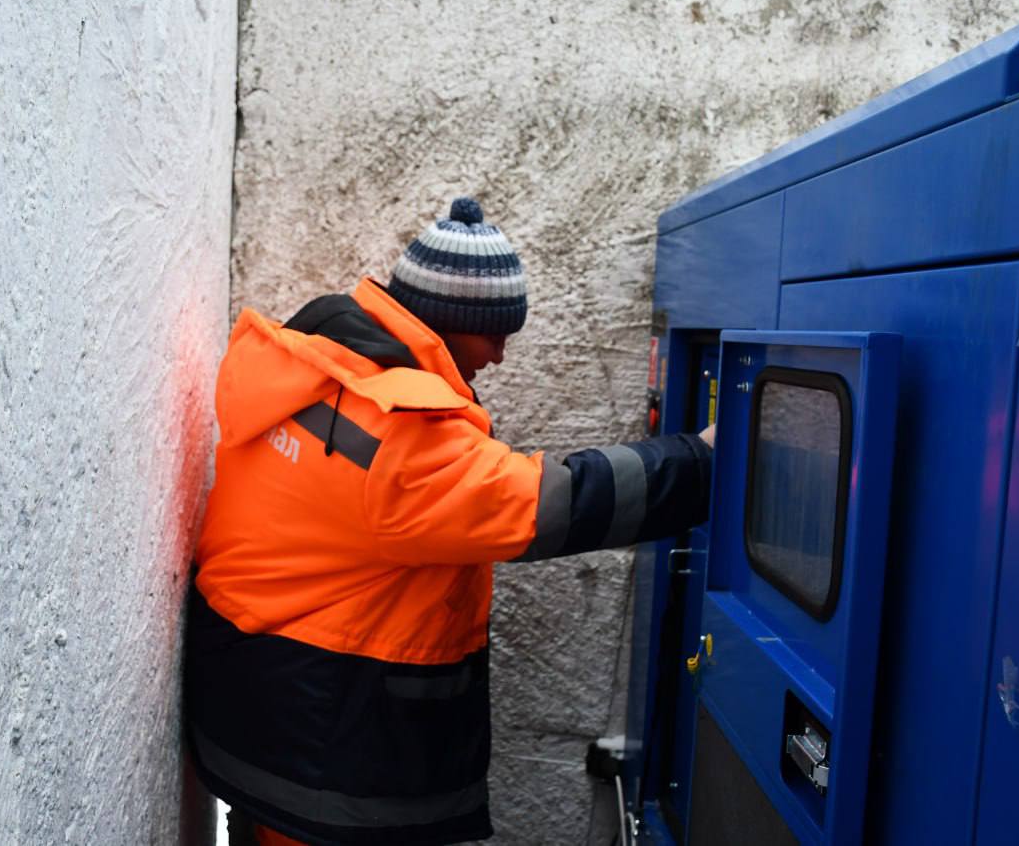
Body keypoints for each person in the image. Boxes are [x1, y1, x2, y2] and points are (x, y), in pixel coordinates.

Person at [184, 197, 714, 846]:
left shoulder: (316, 366)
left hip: (253, 710)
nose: (499, 356)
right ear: (450, 322)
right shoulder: (402, 434)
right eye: (494, 334)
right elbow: (553, 503)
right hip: (321, 751)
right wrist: (700, 461)